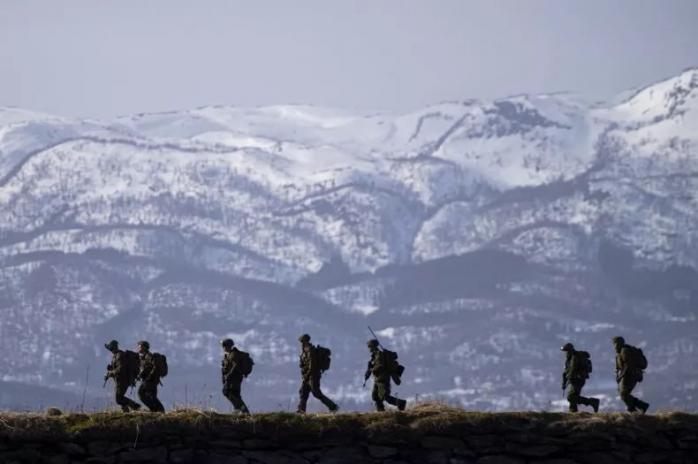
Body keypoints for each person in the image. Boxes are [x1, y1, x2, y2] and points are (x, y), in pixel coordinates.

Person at [297, 334, 338, 414]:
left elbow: (312, 366)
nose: (301, 343)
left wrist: (306, 375)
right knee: (303, 392)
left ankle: (333, 406)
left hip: (313, 376)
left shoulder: (310, 350)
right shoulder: (305, 351)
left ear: (305, 341)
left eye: (302, 341)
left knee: (316, 393)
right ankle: (301, 410)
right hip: (308, 376)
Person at [364, 339, 406, 412]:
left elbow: (381, 366)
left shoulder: (379, 355)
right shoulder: (374, 356)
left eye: (370, 347)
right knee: (375, 396)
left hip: (383, 379)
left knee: (385, 397)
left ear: (373, 346)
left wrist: (372, 369)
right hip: (378, 379)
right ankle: (381, 411)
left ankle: (401, 403)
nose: (369, 349)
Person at [613, 336, 650, 413]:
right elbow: (619, 367)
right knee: (624, 394)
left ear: (619, 343)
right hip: (628, 375)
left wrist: (620, 376)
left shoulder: (624, 351)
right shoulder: (619, 353)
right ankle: (633, 410)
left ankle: (640, 406)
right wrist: (618, 375)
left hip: (631, 375)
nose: (614, 346)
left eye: (615, 343)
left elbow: (628, 365)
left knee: (623, 394)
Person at [560, 342, 599, 413]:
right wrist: (564, 382)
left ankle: (592, 401)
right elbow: (566, 372)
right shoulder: (569, 359)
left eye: (566, 351)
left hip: (578, 379)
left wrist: (567, 380)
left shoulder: (575, 357)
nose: (565, 353)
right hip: (575, 379)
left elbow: (572, 370)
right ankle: (573, 411)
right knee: (573, 396)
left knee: (571, 397)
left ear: (570, 350)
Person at [103, 340, 141, 412]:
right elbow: (118, 368)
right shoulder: (116, 355)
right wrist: (111, 369)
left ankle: (135, 406)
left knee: (118, 399)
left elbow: (120, 370)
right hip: (120, 380)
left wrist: (110, 373)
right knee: (120, 397)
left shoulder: (119, 355)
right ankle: (126, 411)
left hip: (123, 380)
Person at [221, 338, 251, 415]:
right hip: (234, 378)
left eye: (224, 345)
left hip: (234, 379)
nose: (223, 347)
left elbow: (235, 366)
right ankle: (240, 410)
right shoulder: (229, 355)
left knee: (227, 392)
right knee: (235, 394)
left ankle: (242, 409)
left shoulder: (233, 354)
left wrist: (228, 375)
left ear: (228, 346)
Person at [136, 340, 166, 412]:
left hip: (150, 380)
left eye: (140, 347)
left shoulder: (148, 356)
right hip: (150, 380)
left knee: (141, 393)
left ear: (144, 347)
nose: (138, 348)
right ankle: (158, 410)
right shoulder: (143, 357)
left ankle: (156, 409)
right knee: (152, 396)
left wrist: (150, 376)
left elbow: (155, 367)